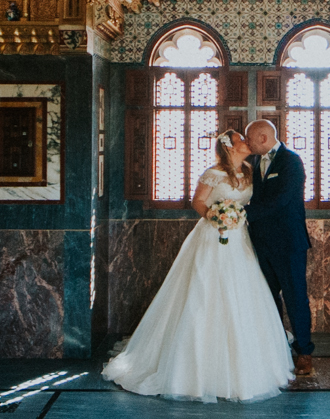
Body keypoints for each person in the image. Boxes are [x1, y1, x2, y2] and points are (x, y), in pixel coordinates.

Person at [102, 129, 294, 402]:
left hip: (240, 238)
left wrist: (235, 219)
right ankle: (189, 368)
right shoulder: (213, 173)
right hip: (213, 237)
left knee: (243, 292)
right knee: (205, 291)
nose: (246, 142)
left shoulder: (251, 171)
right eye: (241, 140)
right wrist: (217, 217)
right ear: (230, 147)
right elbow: (198, 201)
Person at [244, 119, 315, 377]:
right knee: (268, 298)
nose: (247, 143)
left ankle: (304, 353)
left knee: (296, 298)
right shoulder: (253, 164)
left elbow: (282, 199)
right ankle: (275, 349)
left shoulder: (291, 161)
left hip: (289, 242)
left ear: (263, 138)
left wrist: (243, 213)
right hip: (261, 243)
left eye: (250, 139)